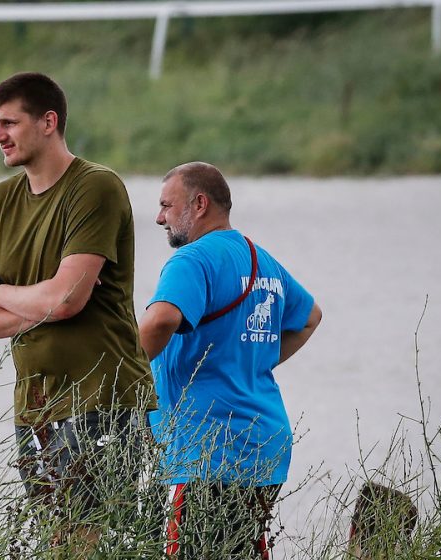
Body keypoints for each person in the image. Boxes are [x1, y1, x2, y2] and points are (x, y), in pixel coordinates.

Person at [0, 72, 157, 553]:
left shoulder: (95, 187)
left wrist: (2, 293)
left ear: (49, 122)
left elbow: (69, 299)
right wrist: (41, 301)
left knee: (84, 540)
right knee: (57, 541)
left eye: (10, 122)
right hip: (35, 406)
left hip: (102, 396)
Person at [139, 162, 321, 558]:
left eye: (166, 205)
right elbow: (309, 318)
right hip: (263, 447)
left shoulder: (192, 260)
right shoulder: (260, 259)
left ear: (199, 204)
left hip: (207, 451)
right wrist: (255, 362)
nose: (159, 217)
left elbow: (162, 319)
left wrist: (119, 376)